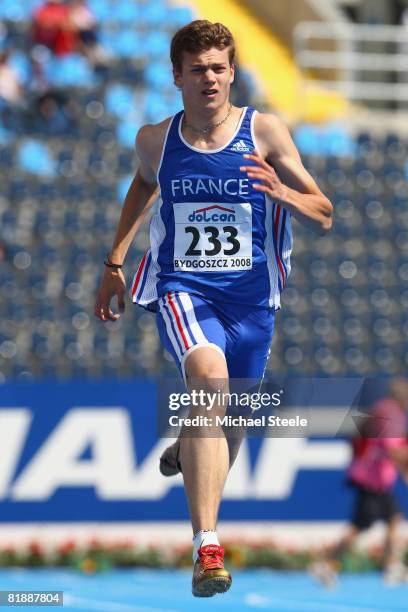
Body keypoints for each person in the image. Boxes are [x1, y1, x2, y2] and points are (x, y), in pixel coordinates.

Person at [94, 20, 333, 597]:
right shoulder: (155, 139)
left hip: (253, 301)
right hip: (185, 288)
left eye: (219, 68)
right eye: (197, 69)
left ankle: (187, 442)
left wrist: (283, 193)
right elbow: (142, 184)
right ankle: (207, 546)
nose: (210, 78)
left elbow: (323, 211)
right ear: (177, 75)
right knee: (208, 381)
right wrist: (115, 262)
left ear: (232, 72)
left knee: (228, 421)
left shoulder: (265, 132)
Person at [311, 377, 408, 587]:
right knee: (360, 526)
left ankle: (391, 565)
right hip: (371, 480)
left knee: (392, 518)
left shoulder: (388, 411)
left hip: (377, 479)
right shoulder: (390, 412)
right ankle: (327, 564)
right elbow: (392, 449)